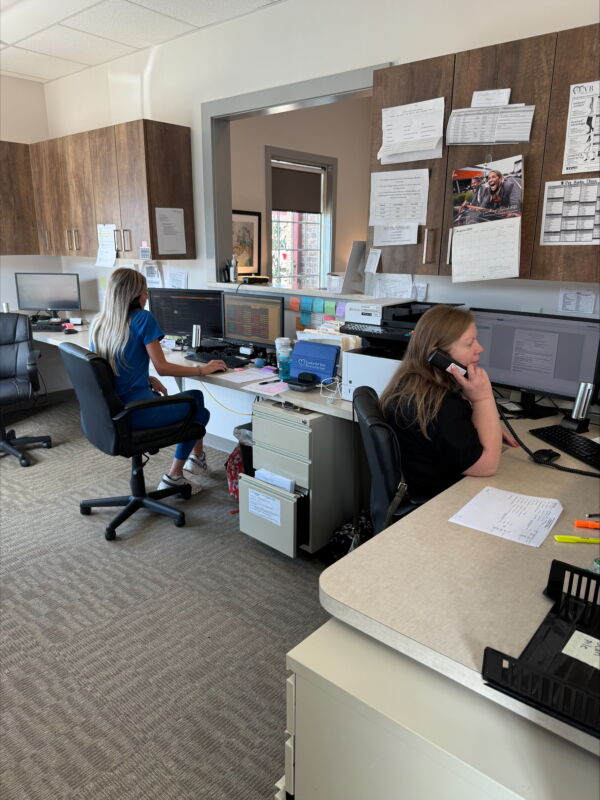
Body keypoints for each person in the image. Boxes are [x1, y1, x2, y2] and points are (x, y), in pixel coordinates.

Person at [90, 268, 227, 492]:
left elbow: (112, 367)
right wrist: (203, 369)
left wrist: (145, 377)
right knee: (200, 412)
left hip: (115, 412)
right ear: (133, 295)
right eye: (144, 293)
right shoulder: (142, 318)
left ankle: (197, 460)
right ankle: (175, 474)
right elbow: (163, 367)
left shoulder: (99, 322)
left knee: (196, 397)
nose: (146, 297)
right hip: (138, 411)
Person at [380, 305, 518, 502]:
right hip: (440, 501)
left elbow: (448, 432)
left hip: (424, 485)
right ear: (439, 356)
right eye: (469, 344)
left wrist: (486, 426)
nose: (480, 348)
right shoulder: (439, 405)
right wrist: (483, 398)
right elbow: (486, 467)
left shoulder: (411, 384)